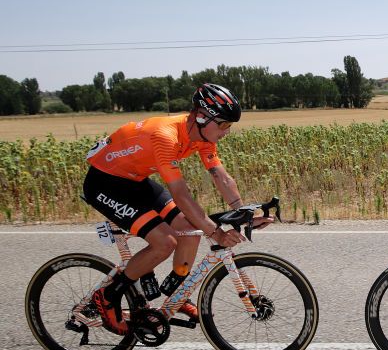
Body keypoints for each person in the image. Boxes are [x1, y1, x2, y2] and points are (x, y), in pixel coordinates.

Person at [82, 83, 268, 334]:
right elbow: (181, 195)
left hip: (135, 180)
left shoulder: (202, 136)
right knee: (165, 242)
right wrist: (215, 233)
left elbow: (221, 177)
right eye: (223, 124)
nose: (227, 131)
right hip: (105, 183)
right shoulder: (165, 136)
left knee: (190, 228)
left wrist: (244, 213)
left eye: (229, 126)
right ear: (202, 117)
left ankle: (177, 294)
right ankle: (106, 296)